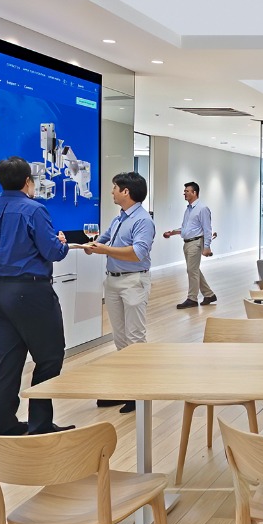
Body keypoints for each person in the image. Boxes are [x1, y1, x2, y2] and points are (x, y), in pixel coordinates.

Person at [0, 156, 73, 436]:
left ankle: (5, 426)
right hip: (31, 292)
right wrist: (62, 243)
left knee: (6, 361)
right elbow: (52, 252)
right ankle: (40, 424)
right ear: (28, 181)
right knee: (49, 357)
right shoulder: (35, 210)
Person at [78, 171, 153, 413]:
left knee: (135, 339)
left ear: (125, 191)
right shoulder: (119, 217)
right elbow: (102, 241)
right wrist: (91, 246)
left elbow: (137, 253)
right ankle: (125, 389)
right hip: (113, 281)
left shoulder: (143, 220)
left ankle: (139, 394)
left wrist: (105, 250)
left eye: (114, 188)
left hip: (133, 282)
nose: (111, 191)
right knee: (120, 339)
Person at [162, 180, 216, 309]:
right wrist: (172, 232)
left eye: (187, 191)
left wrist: (207, 247)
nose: (184, 193)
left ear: (194, 192)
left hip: (195, 243)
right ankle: (209, 295)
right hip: (187, 243)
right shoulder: (188, 209)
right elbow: (186, 229)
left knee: (192, 270)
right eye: (184, 191)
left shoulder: (202, 209)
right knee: (194, 270)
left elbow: (207, 229)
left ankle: (192, 299)